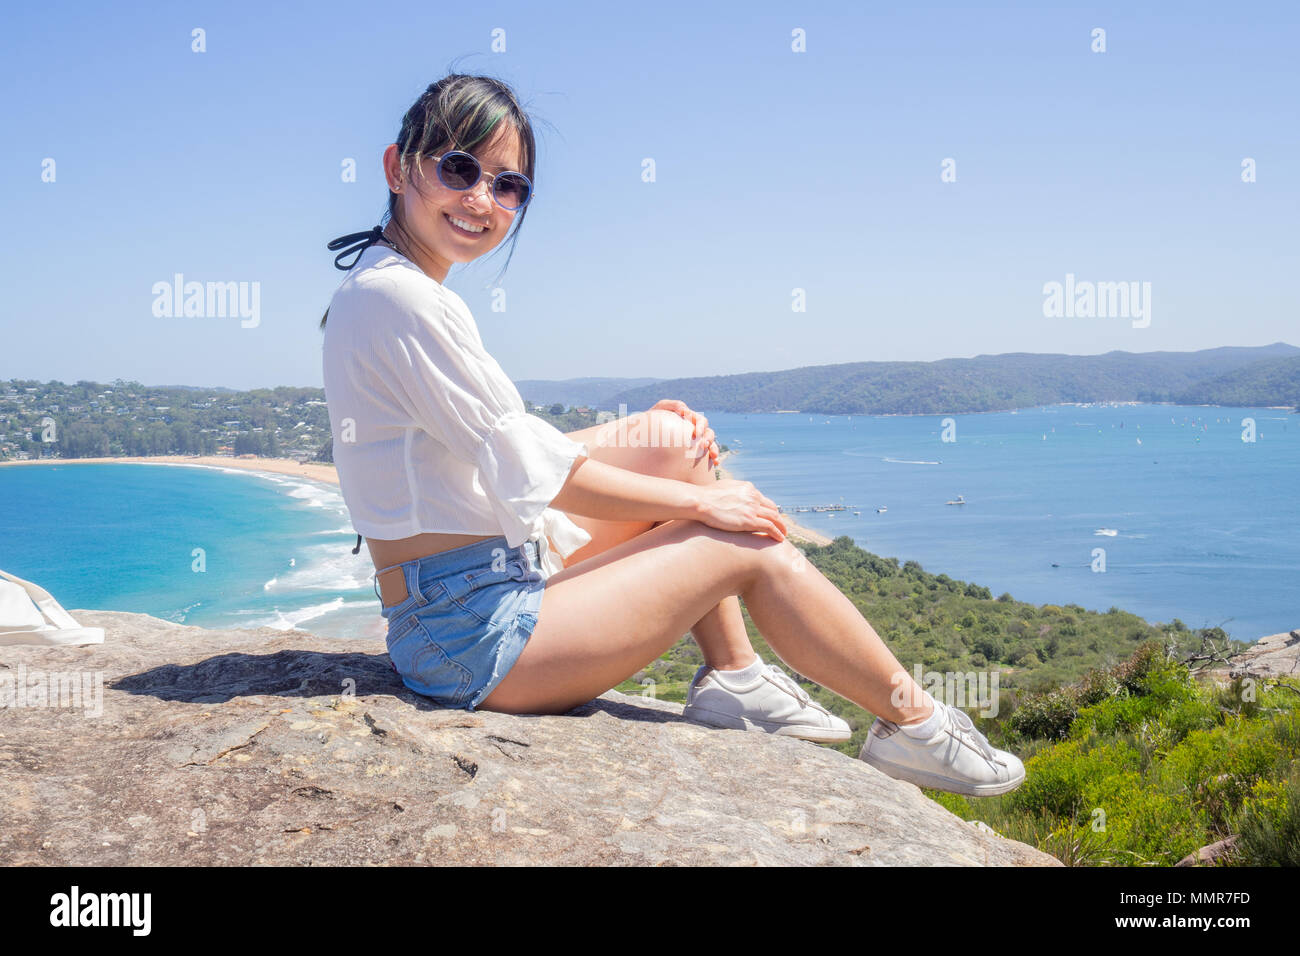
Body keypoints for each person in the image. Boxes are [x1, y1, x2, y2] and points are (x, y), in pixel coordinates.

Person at [319, 72, 1024, 797]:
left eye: (509, 186)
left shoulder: (388, 288)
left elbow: (490, 443)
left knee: (674, 441)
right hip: (471, 640)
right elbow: (528, 462)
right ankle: (915, 726)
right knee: (748, 545)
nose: (481, 201)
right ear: (398, 166)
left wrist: (652, 439)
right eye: (459, 169)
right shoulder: (402, 301)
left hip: (466, 595)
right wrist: (702, 508)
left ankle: (734, 677)